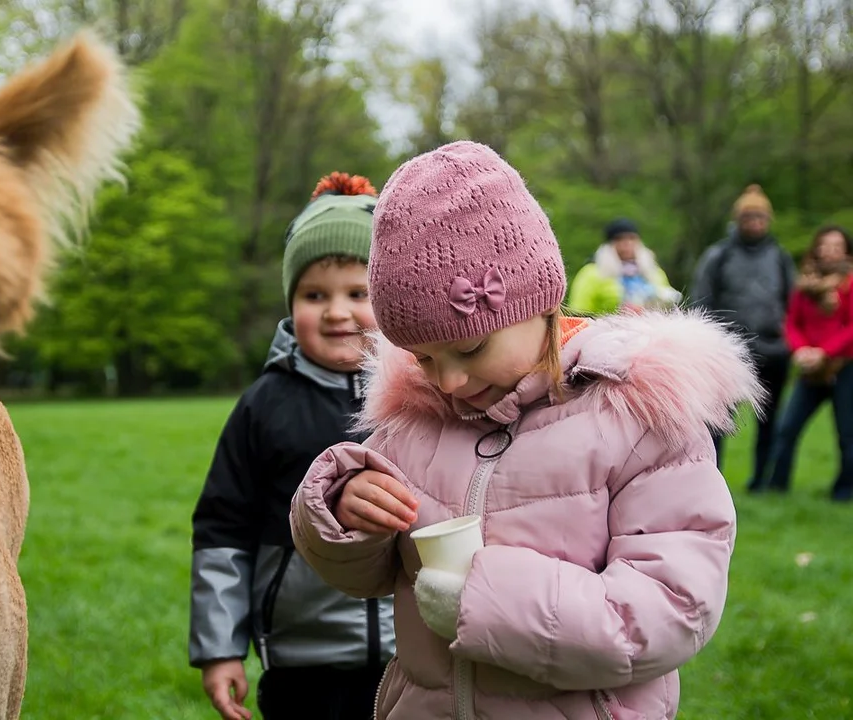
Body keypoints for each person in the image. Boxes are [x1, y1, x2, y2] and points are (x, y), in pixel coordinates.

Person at [289, 142, 762, 719]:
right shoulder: (415, 417)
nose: (451, 382)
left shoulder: (638, 420)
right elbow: (365, 577)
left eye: (469, 347)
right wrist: (343, 512)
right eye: (423, 359)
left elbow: (669, 611)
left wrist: (485, 600)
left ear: (540, 302)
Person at [189, 172, 395, 720]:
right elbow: (222, 527)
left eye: (359, 293)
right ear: (291, 301)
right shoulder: (264, 404)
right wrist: (219, 647)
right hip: (304, 658)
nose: (336, 312)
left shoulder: (426, 393)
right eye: (314, 295)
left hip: (418, 653)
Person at [690, 184, 796, 487]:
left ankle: (762, 481)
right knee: (718, 421)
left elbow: (794, 302)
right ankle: (712, 477)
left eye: (761, 217)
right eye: (749, 217)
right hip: (730, 352)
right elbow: (701, 301)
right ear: (738, 220)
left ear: (768, 220)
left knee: (770, 420)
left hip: (774, 352)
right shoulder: (718, 256)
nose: (755, 223)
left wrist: (788, 340)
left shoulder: (780, 257)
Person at [764, 225, 853, 501]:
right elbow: (792, 322)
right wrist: (802, 350)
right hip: (808, 369)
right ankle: (776, 488)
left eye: (837, 246)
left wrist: (824, 353)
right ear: (816, 248)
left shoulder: (850, 284)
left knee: (847, 435)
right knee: (786, 428)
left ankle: (844, 493)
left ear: (846, 251)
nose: (830, 251)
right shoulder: (805, 285)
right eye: (825, 245)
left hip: (844, 367)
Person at [566, 218, 681, 315]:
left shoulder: (654, 273)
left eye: (631, 238)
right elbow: (579, 311)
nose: (626, 243)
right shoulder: (592, 273)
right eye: (620, 239)